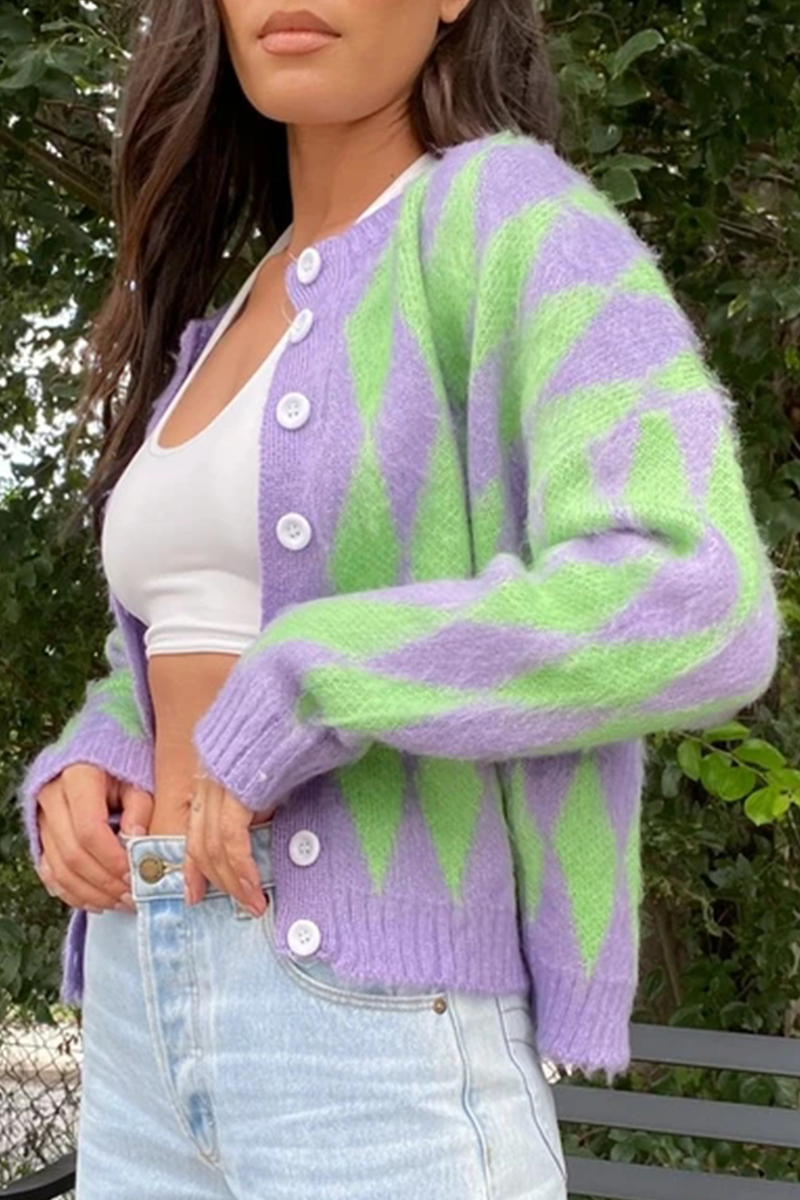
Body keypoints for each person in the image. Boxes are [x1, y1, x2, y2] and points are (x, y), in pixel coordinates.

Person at [17, 2, 780, 1198]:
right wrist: (95, 756)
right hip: (139, 1005)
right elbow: (189, 633)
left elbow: (696, 594)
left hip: (368, 1029)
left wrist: (314, 680)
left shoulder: (512, 221)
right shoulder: (235, 304)